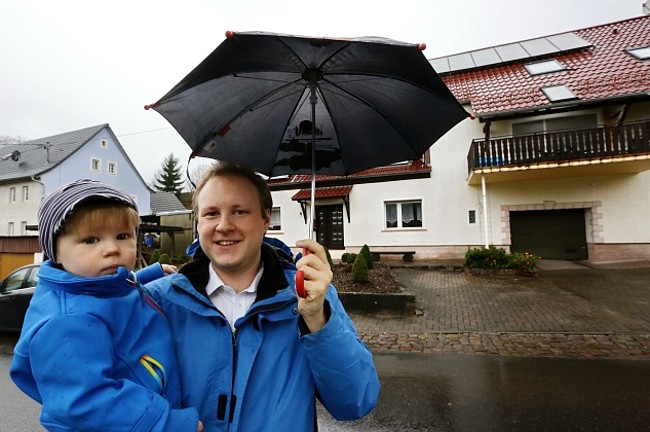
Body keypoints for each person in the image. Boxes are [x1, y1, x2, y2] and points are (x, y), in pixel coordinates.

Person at [146, 161, 380, 431]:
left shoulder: (309, 298)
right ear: (197, 223)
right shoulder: (159, 302)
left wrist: (318, 320)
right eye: (211, 213)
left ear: (266, 219)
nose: (224, 225)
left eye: (240, 212)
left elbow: (355, 401)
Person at [10, 179, 202, 432]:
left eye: (122, 236)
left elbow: (123, 284)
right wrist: (167, 423)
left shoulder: (93, 283)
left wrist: (152, 271)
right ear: (55, 251)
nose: (112, 248)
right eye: (91, 240)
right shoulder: (67, 321)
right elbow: (86, 401)